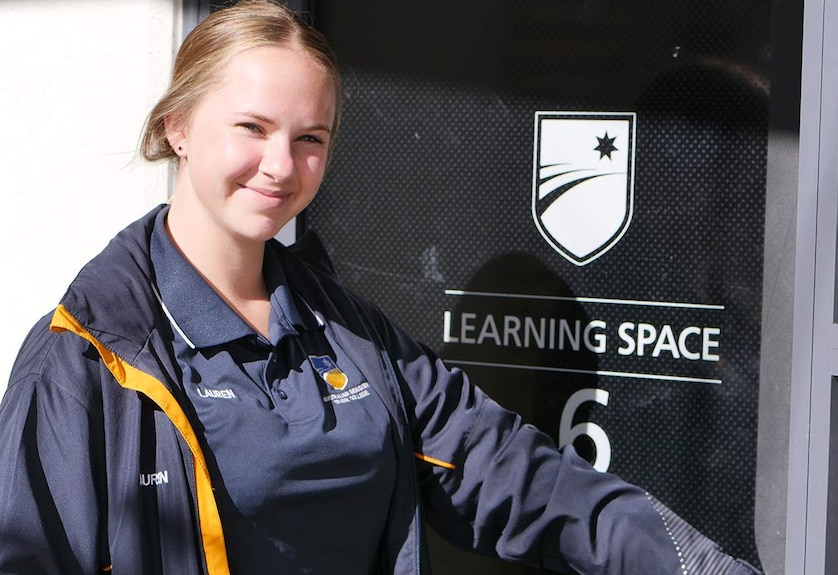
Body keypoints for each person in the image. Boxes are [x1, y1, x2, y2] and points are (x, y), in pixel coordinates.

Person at [0, 1, 762, 573]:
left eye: (310, 139)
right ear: (178, 126)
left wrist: (700, 566)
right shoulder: (88, 359)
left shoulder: (349, 333)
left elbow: (518, 475)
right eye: (252, 128)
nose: (280, 165)